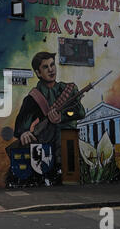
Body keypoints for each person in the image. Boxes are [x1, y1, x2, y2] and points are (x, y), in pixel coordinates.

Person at [13, 51, 85, 185]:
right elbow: (21, 124)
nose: (51, 70)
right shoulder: (33, 98)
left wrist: (62, 117)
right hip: (46, 149)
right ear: (38, 73)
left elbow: (80, 112)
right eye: (45, 67)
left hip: (68, 144)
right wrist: (24, 132)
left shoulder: (68, 89)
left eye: (52, 65)